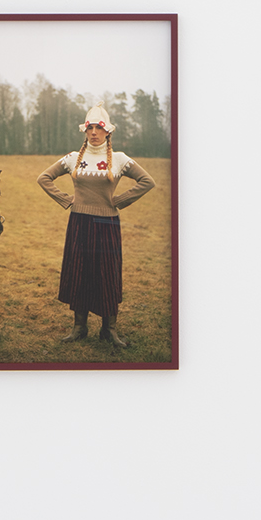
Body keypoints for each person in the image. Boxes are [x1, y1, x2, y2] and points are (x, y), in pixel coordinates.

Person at [38, 105, 155, 348]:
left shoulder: (120, 159)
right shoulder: (73, 158)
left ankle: (108, 330)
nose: (93, 133)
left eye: (99, 128)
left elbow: (147, 181)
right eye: (90, 128)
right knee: (79, 272)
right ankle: (79, 327)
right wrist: (66, 199)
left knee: (107, 275)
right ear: (85, 130)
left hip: (106, 224)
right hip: (79, 223)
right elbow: (44, 178)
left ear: (108, 132)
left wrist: (119, 201)